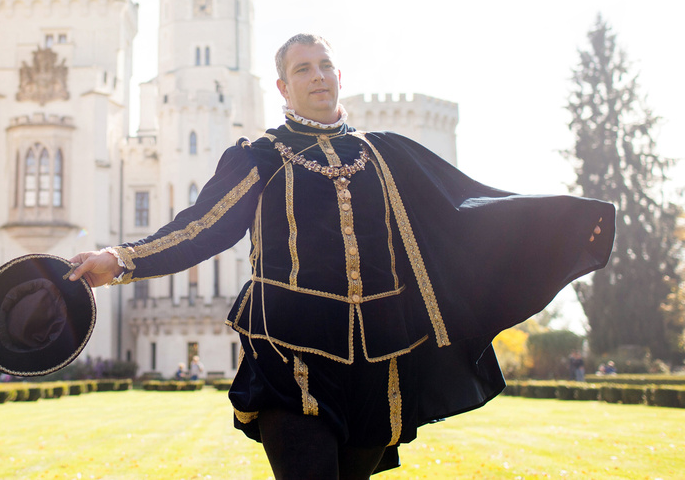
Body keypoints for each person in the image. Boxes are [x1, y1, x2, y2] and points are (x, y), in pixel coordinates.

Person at [69, 34, 614, 478]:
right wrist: (122, 258)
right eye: (303, 69)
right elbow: (204, 227)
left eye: (326, 65)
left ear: (339, 76)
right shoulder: (260, 156)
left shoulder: (385, 154)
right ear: (283, 87)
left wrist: (562, 223)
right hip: (291, 356)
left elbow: (461, 209)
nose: (319, 76)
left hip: (381, 366)